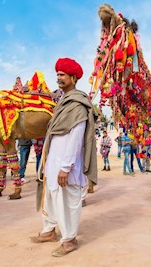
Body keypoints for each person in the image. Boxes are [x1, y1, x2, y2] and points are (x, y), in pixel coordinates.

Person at [31, 57, 97, 257]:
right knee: (50, 197)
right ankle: (49, 230)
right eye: (57, 74)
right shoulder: (63, 102)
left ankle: (69, 240)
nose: (58, 77)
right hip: (53, 161)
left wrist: (66, 167)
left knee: (67, 201)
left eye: (62, 75)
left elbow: (76, 137)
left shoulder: (77, 104)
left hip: (67, 164)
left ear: (73, 78)